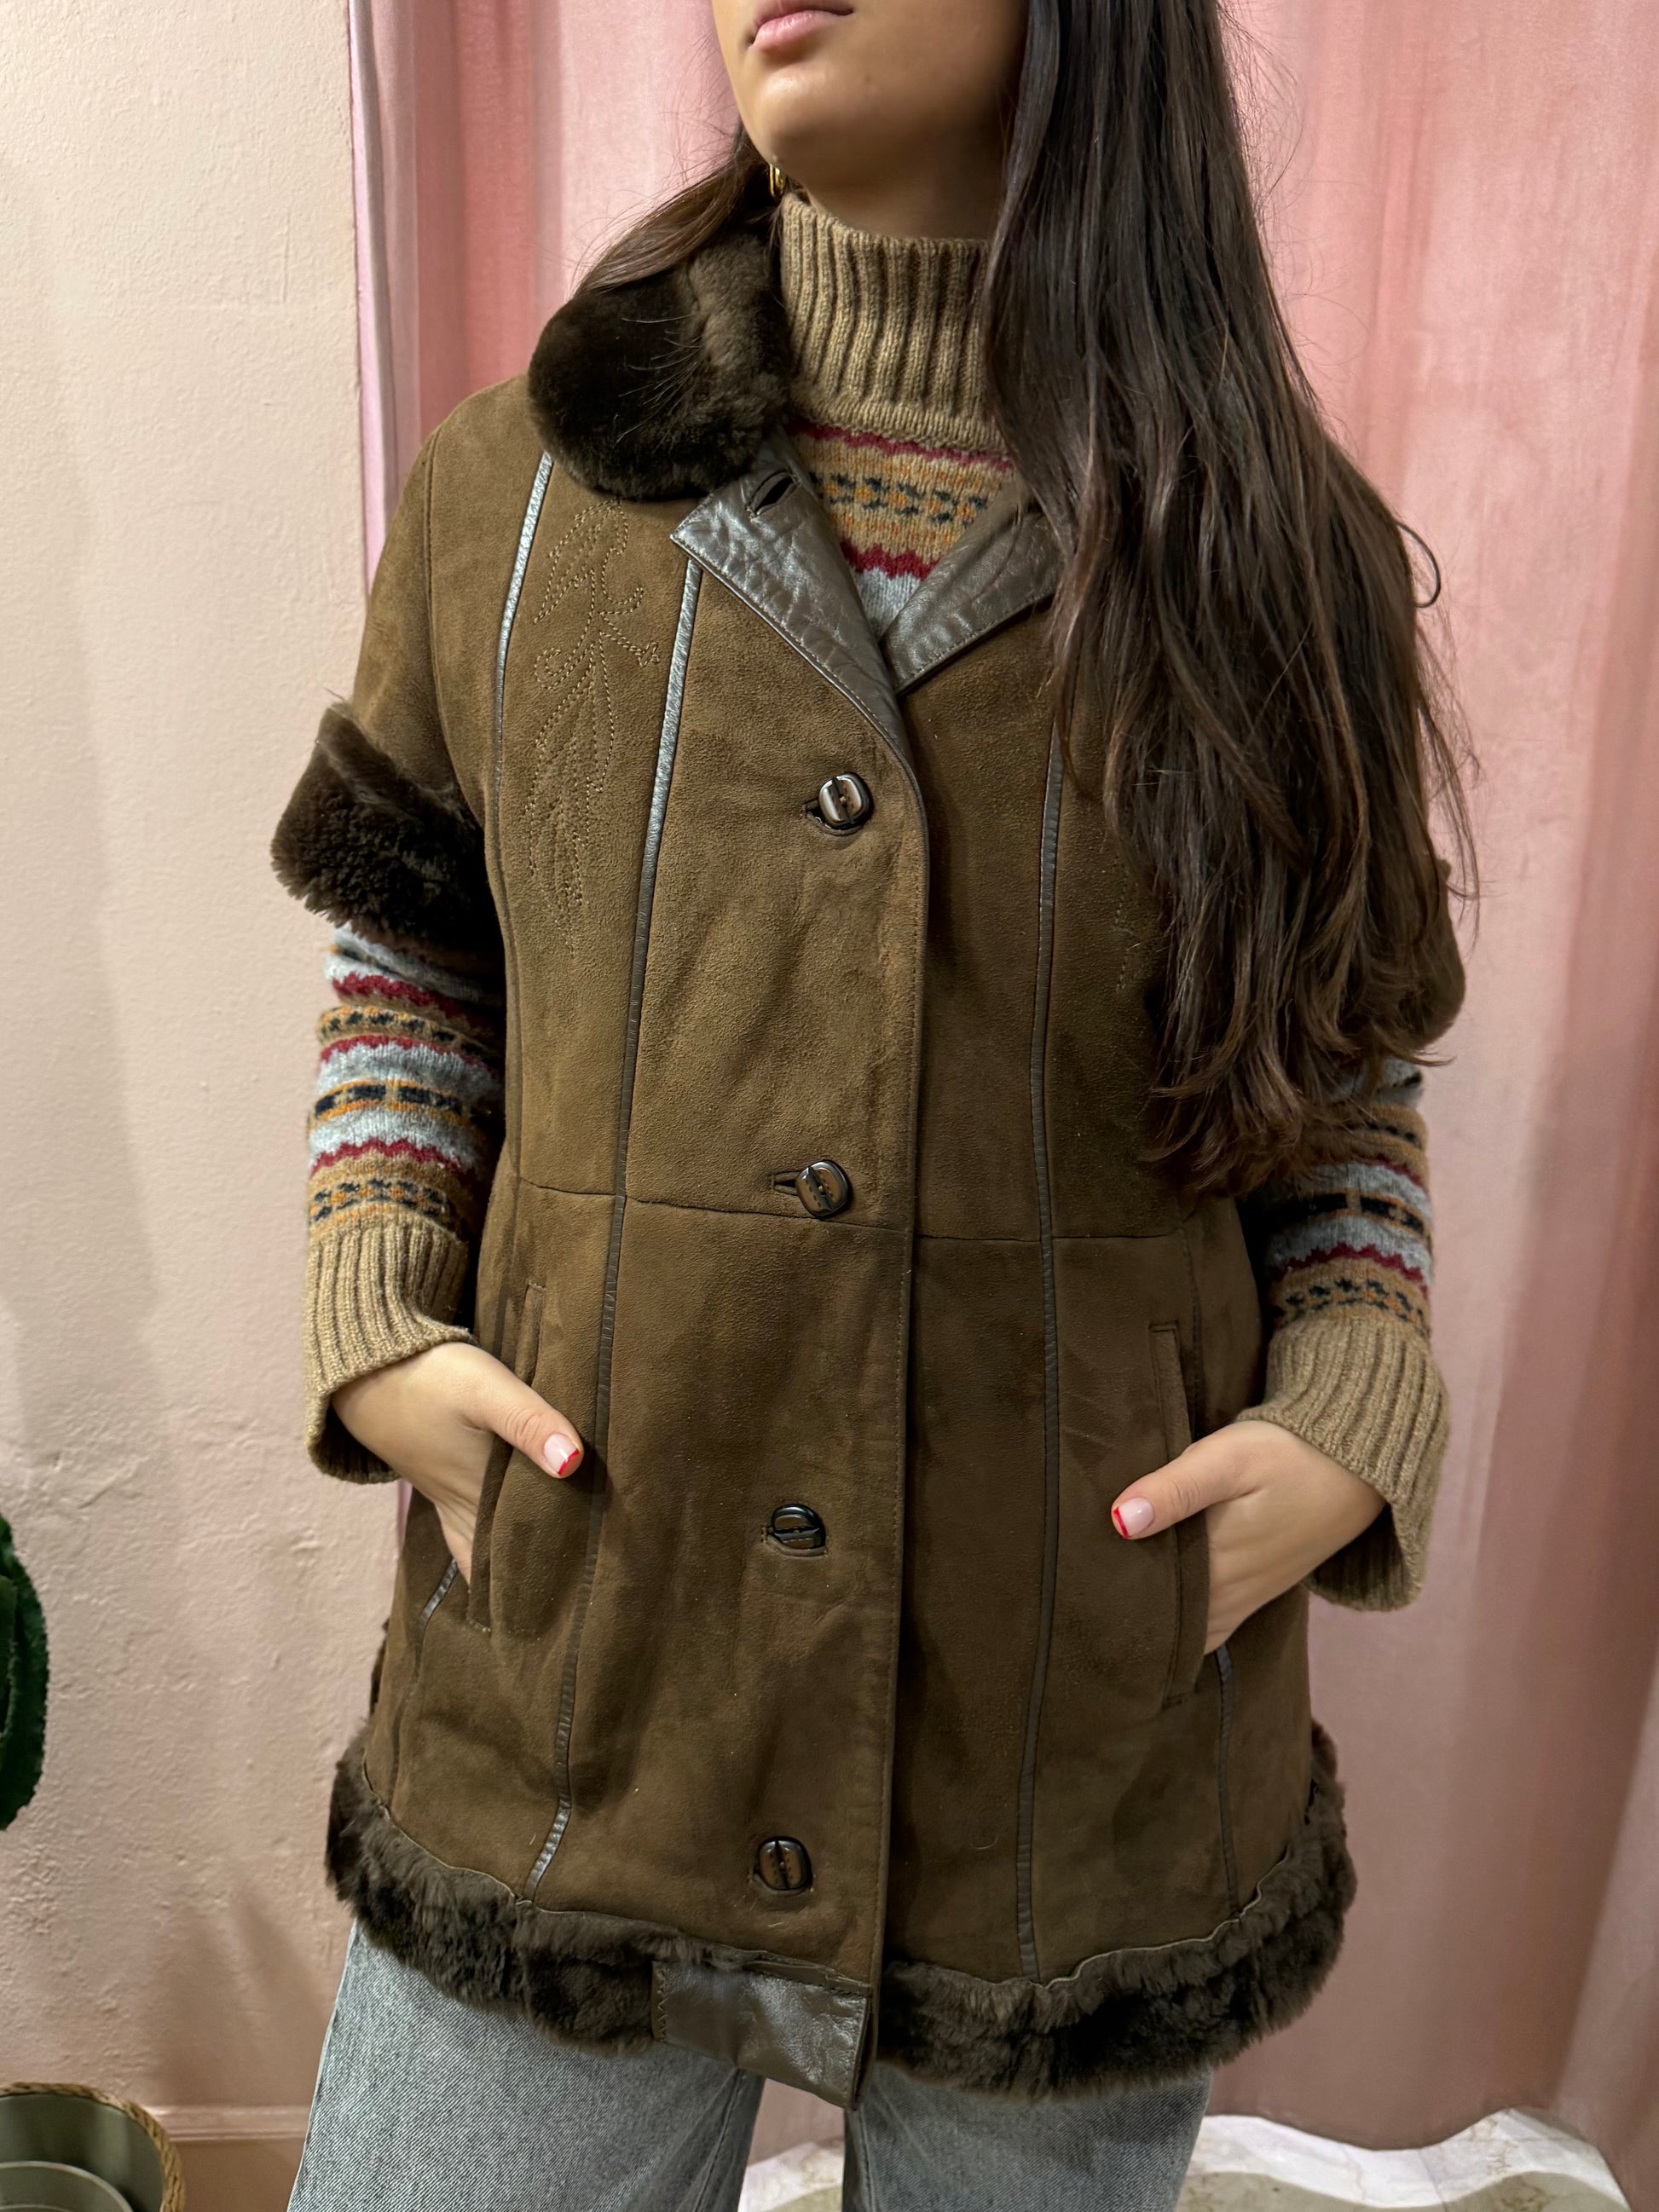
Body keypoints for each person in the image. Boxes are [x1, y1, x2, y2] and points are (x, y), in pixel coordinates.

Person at [274, 1, 1471, 2204]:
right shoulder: (514, 505)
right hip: (584, 1685)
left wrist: (1352, 1392)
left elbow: (1334, 1074)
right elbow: (418, 952)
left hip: (1073, 1747)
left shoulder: (1274, 557)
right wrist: (378, 1302)